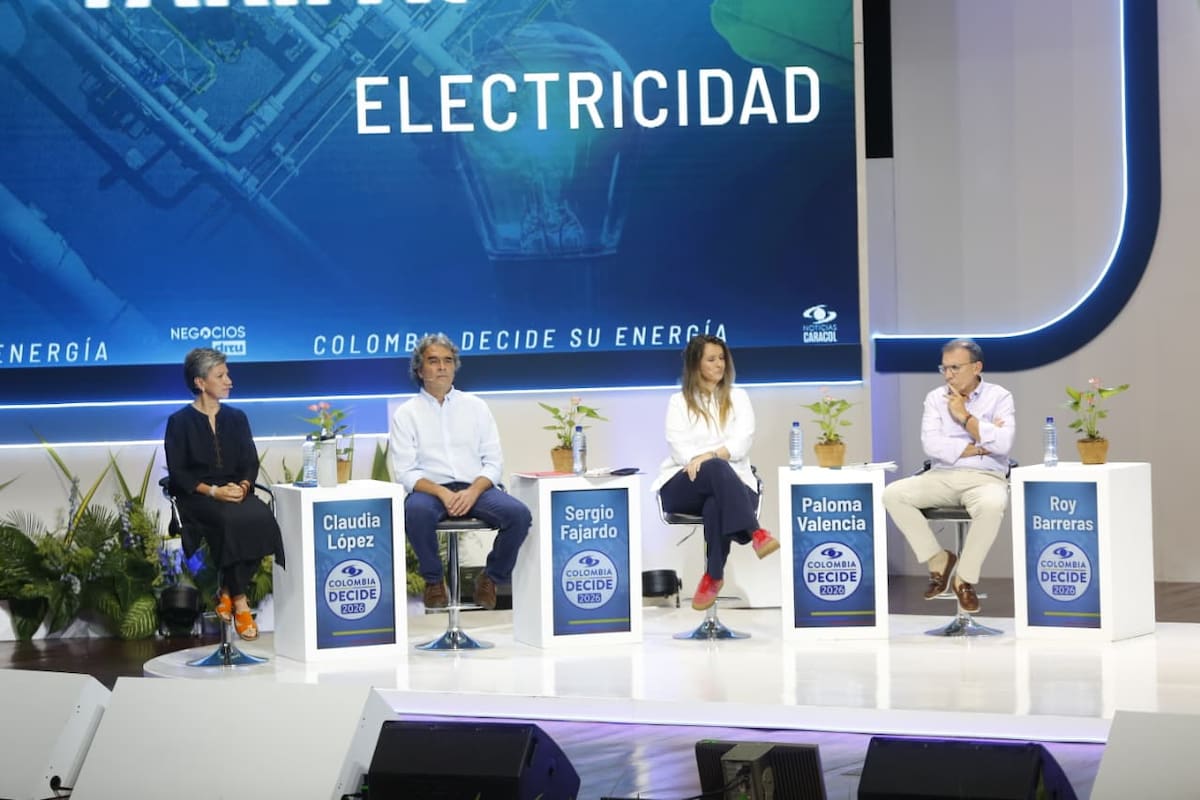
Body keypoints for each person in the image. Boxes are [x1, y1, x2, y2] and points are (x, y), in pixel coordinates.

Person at [389, 333, 532, 611]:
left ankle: (490, 578)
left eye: (447, 361)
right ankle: (433, 582)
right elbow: (406, 472)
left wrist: (473, 491)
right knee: (415, 512)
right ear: (420, 370)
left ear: (454, 367)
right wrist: (441, 492)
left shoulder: (476, 407)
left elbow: (493, 462)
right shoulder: (406, 414)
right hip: (430, 491)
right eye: (433, 361)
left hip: (475, 488)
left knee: (519, 515)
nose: (442, 367)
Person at [882, 338, 1015, 613]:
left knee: (992, 505)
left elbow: (1003, 445)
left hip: (986, 478)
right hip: (942, 475)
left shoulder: (999, 396)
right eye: (944, 368)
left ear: (977, 366)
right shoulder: (934, 398)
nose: (948, 375)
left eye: (955, 367)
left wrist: (964, 416)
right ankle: (939, 560)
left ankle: (964, 579)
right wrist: (980, 443)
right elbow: (932, 446)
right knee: (893, 494)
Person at [164, 347, 285, 641]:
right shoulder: (179, 422)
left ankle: (227, 592)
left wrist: (243, 487)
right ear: (200, 382)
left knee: (262, 519)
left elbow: (249, 461)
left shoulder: (237, 418)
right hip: (198, 498)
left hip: (236, 491)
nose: (229, 381)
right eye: (220, 375)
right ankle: (241, 600)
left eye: (227, 374)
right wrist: (215, 491)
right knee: (229, 523)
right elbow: (179, 474)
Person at [652, 334, 779, 611]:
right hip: (685, 483)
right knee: (716, 469)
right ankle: (754, 533)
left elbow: (742, 443)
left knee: (715, 503)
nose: (719, 364)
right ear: (696, 365)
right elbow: (678, 447)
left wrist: (709, 456)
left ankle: (713, 576)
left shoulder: (739, 397)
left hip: (734, 484)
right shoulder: (679, 401)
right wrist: (707, 459)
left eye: (722, 358)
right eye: (711, 359)